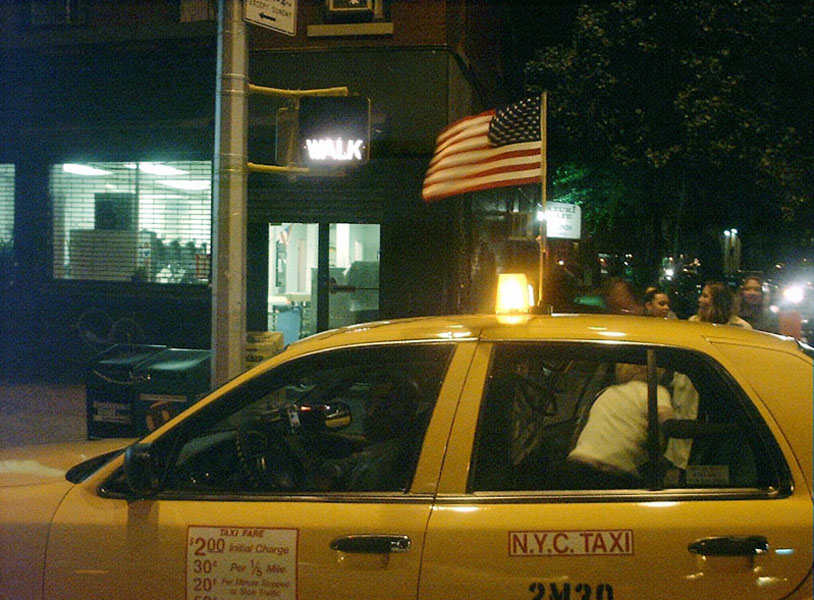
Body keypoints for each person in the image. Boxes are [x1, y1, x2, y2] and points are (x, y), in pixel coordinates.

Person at [566, 363, 675, 488]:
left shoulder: (605, 393)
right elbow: (669, 424)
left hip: (576, 466)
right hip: (612, 475)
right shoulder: (654, 393)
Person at [310, 376, 421, 492]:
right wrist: (333, 470)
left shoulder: (391, 463)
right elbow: (357, 459)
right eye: (369, 402)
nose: (370, 413)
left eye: (383, 406)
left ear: (405, 411)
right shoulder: (383, 447)